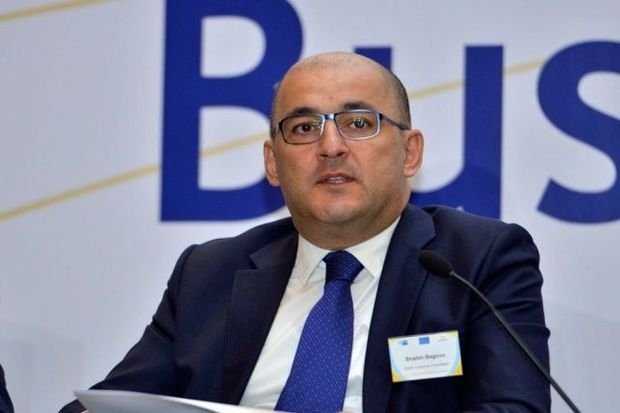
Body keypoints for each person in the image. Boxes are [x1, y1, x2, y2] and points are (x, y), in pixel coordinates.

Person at [60, 52, 550, 412]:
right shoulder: (210, 272)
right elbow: (104, 405)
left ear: (410, 153)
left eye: (359, 122)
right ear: (273, 163)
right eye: (303, 128)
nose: (331, 146)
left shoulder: (475, 260)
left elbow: (514, 409)